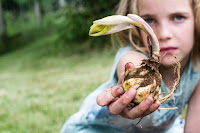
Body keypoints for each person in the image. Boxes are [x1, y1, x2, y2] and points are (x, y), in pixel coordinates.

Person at [60, 0, 200, 132]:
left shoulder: (197, 68)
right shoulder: (133, 54)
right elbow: (131, 65)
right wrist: (135, 80)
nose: (164, 34)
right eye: (149, 20)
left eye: (178, 17)